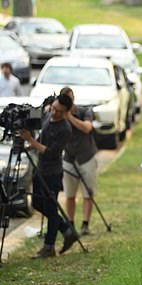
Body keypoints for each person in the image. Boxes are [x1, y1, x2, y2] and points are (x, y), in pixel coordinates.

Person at [20, 94, 77, 258]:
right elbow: (41, 139)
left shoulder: (65, 129)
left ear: (65, 112)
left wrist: (31, 141)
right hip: (40, 169)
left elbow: (51, 152)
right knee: (37, 203)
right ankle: (66, 229)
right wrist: (29, 145)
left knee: (51, 208)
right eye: (53, 109)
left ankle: (49, 246)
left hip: (52, 172)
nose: (54, 113)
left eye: (59, 111)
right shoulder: (47, 117)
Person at [59, 87, 98, 236]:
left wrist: (70, 117)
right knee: (70, 194)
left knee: (88, 193)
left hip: (86, 157)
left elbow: (87, 128)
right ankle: (70, 223)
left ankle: (85, 224)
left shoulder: (84, 111)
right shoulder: (59, 115)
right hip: (68, 158)